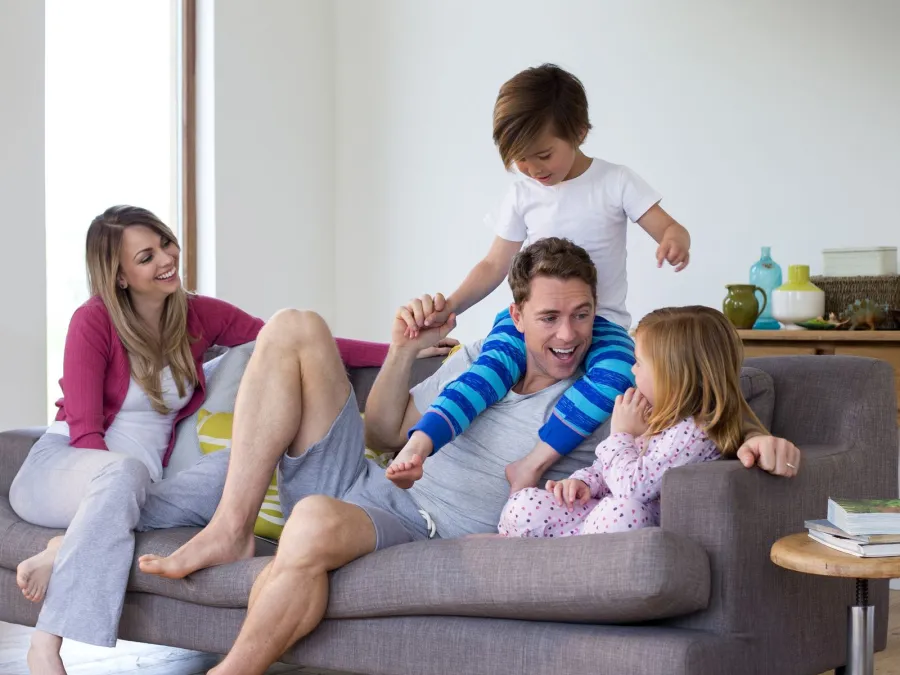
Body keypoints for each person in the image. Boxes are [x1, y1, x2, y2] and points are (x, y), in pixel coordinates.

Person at [137, 237, 799, 675]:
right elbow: (386, 428)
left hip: (425, 524)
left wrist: (753, 438)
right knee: (292, 324)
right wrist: (403, 349)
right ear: (516, 315)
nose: (568, 333)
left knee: (311, 522)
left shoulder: (603, 393)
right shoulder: (484, 360)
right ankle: (230, 528)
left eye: (582, 314)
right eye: (549, 317)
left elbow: (696, 405)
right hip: (372, 478)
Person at [8, 205, 447, 675]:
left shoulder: (195, 315)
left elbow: (295, 345)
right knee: (121, 475)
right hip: (68, 471)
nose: (165, 259)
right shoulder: (92, 321)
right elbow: (85, 430)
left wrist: (404, 348)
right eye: (146, 256)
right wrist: (107, 503)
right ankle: (46, 643)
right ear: (118, 276)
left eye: (165, 243)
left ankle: (66, 550)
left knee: (245, 466)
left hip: (147, 489)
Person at [390, 63, 693, 493]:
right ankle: (420, 444)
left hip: (600, 322)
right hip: (535, 320)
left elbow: (667, 226)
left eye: (544, 154)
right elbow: (493, 265)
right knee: (489, 370)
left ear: (580, 132)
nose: (532, 168)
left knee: (616, 374)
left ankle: (531, 464)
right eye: (520, 159)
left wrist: (673, 239)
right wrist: (450, 306)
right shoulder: (522, 194)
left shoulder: (615, 182)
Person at [499, 305, 765, 537]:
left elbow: (631, 489)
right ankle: (540, 548)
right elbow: (608, 470)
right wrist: (582, 483)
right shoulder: (656, 414)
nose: (632, 370)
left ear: (673, 376)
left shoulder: (694, 434)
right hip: (598, 520)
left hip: (628, 524)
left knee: (620, 510)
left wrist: (621, 434)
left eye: (638, 362)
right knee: (524, 504)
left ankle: (569, 560)